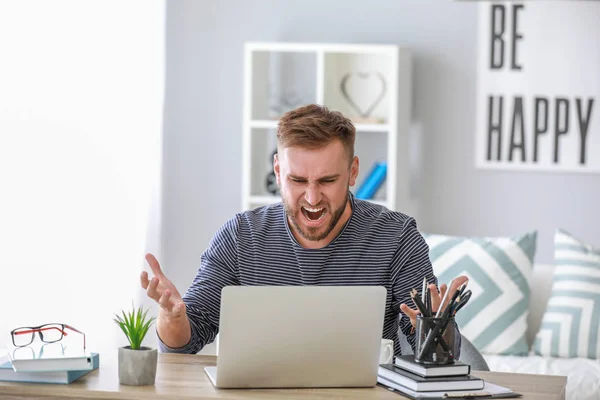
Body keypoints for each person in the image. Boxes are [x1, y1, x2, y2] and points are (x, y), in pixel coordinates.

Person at [141, 104, 467, 357]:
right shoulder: (240, 236)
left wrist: (437, 328)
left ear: (352, 172)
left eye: (327, 180)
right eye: (298, 180)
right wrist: (172, 316)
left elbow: (435, 354)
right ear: (279, 170)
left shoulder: (397, 237)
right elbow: (184, 344)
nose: (312, 198)